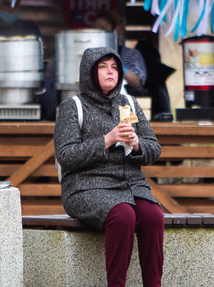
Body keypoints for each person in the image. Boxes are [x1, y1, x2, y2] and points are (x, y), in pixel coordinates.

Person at [54, 46, 164, 287]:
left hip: (131, 186)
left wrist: (136, 144)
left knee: (154, 215)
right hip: (85, 187)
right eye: (102, 67)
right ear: (89, 73)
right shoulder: (73, 106)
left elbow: (154, 149)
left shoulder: (129, 103)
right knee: (123, 215)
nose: (110, 72)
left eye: (114, 67)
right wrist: (107, 139)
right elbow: (66, 155)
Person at [93, 10, 147, 93]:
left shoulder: (131, 54)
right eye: (95, 29)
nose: (99, 33)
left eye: (103, 28)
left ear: (116, 29)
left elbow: (137, 82)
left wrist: (119, 68)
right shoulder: (90, 54)